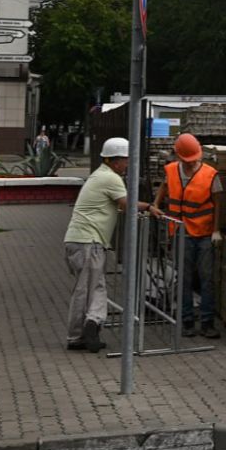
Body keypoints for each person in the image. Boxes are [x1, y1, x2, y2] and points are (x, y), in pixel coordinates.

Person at [63, 137, 158, 352]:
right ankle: (81, 332)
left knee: (95, 286)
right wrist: (149, 207)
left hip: (81, 240)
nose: (128, 164)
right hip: (89, 242)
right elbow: (126, 204)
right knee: (86, 289)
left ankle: (91, 323)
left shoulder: (99, 175)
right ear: (115, 161)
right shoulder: (110, 178)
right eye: (126, 160)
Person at [152, 132, 224, 338]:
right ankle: (187, 321)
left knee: (206, 278)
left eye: (194, 159)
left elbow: (219, 203)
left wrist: (216, 230)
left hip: (204, 233)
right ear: (179, 156)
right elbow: (164, 187)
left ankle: (207, 322)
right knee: (184, 278)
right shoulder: (172, 170)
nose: (191, 163)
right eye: (187, 160)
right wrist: (155, 205)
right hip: (180, 232)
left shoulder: (210, 174)